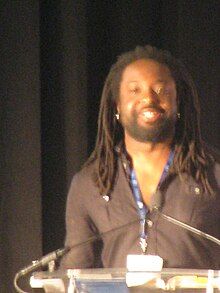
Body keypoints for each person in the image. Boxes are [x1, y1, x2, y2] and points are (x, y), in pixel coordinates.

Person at [60, 45, 220, 270]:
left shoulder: (213, 172)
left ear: (178, 102)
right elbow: (76, 269)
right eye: (134, 90)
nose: (148, 99)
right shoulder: (90, 183)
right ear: (117, 106)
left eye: (161, 90)